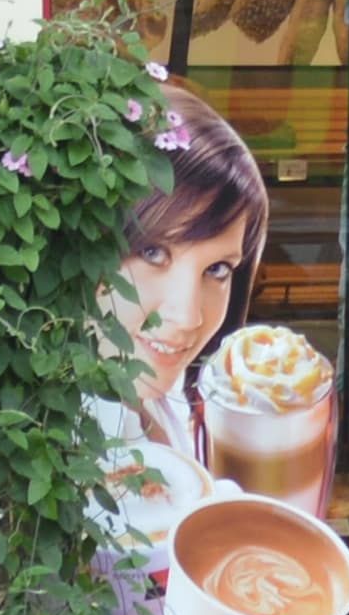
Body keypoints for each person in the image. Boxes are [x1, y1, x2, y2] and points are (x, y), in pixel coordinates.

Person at [88, 87, 271, 580]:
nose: (189, 316)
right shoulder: (37, 446)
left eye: (217, 269)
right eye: (152, 254)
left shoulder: (172, 404)